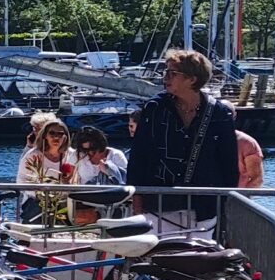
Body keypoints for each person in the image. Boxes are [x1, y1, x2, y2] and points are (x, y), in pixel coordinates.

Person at [127, 49, 240, 236]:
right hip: (158, 205)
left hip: (203, 208)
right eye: (166, 72)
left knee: (198, 261)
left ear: (192, 79)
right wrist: (137, 201)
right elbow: (139, 155)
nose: (166, 77)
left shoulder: (219, 114)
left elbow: (228, 165)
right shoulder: (155, 109)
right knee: (158, 262)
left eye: (173, 73)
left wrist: (225, 205)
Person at [16, 113, 79, 224]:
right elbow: (22, 182)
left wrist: (68, 184)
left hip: (66, 202)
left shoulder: (73, 155)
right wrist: (43, 195)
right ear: (45, 135)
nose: (56, 137)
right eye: (52, 133)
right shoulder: (32, 155)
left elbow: (80, 180)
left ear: (65, 136)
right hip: (37, 202)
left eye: (60, 134)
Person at [70, 125, 129, 224]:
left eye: (93, 148)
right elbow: (69, 177)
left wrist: (109, 170)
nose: (90, 153)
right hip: (85, 202)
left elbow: (124, 178)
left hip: (112, 201)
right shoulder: (77, 155)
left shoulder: (116, 155)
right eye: (85, 150)